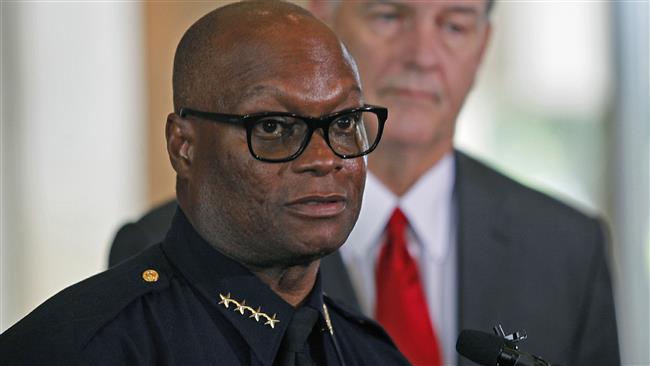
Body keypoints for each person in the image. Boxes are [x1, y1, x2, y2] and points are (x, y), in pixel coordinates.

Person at [110, 1, 621, 366]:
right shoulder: (161, 245)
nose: (421, 55)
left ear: (484, 44)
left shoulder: (569, 249)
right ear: (322, 17)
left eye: (455, 24)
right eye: (388, 15)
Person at [0, 2, 410, 365]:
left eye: (343, 123)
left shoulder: (371, 353)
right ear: (184, 147)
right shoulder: (79, 349)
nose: (324, 160)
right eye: (272, 126)